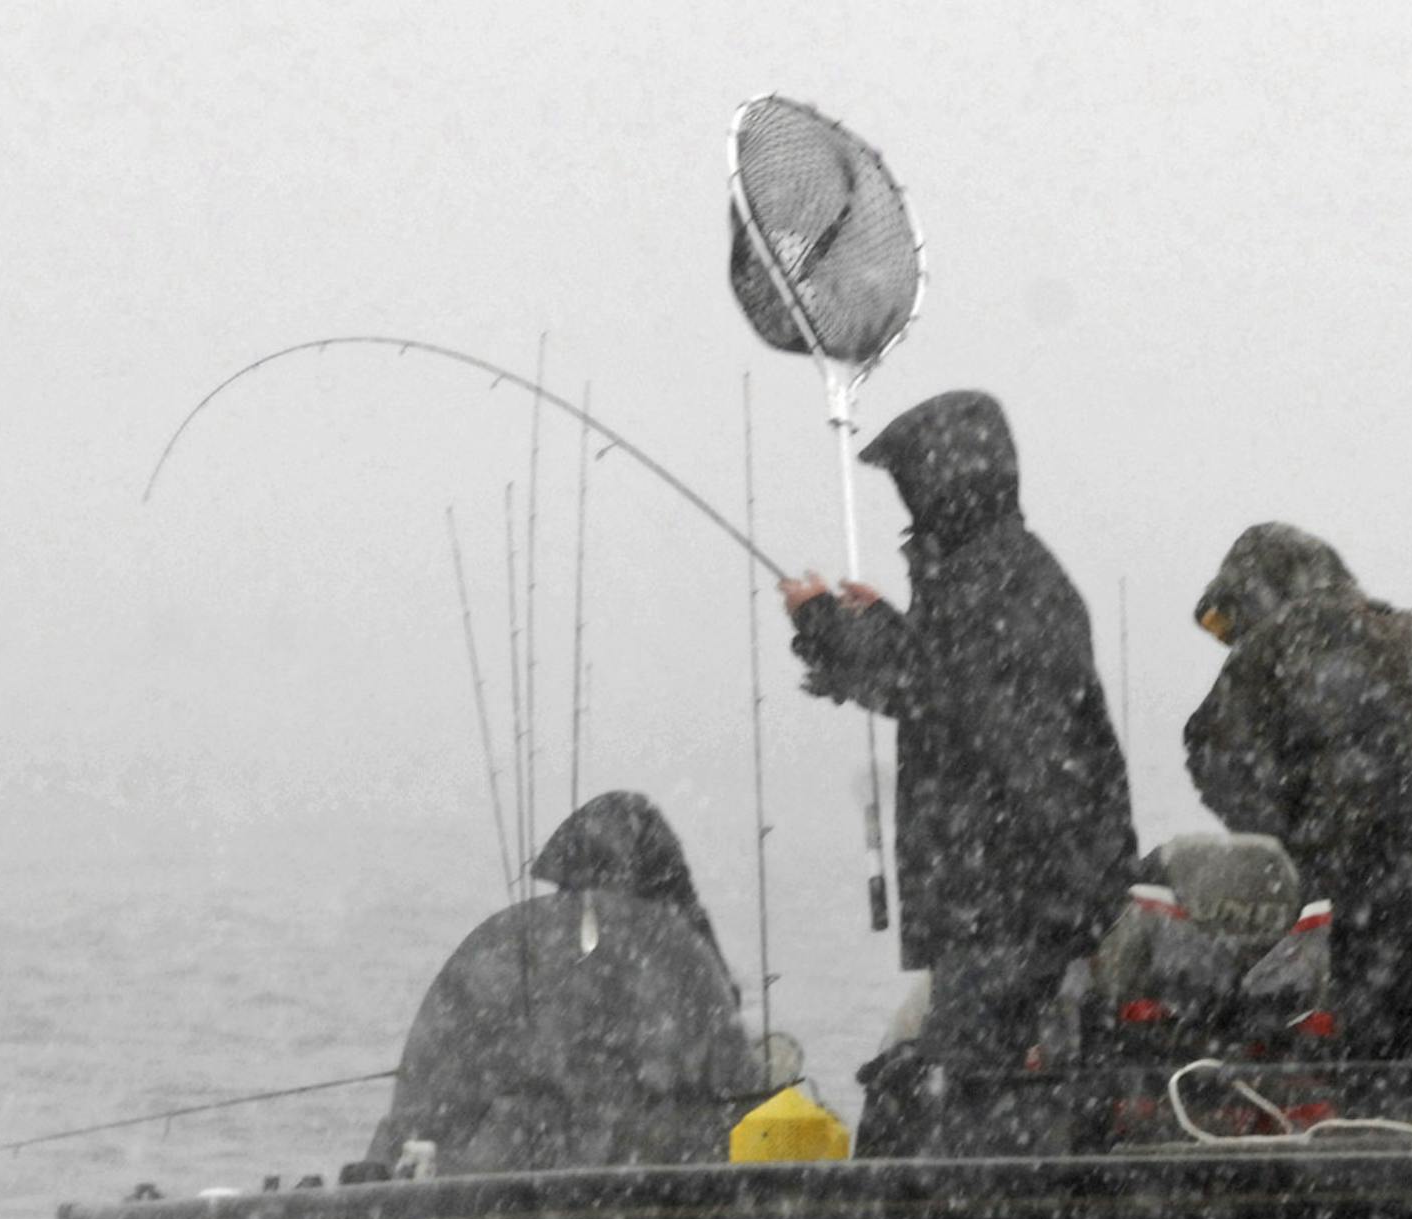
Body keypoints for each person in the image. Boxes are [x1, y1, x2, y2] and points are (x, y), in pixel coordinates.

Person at [779, 390, 1137, 1150]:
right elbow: (951, 684)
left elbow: (939, 692)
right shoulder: (1002, 576)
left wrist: (823, 625)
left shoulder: (992, 582)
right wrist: (873, 627)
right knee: (975, 1078)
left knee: (967, 1094)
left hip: (1013, 897)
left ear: (945, 487)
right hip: (1027, 893)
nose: (910, 511)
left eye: (914, 488)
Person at [1182, 523, 1412, 1060]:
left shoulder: (1281, 635)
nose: (1230, 638)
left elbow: (1212, 751)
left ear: (1255, 590)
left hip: (1378, 889)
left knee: (1370, 1061)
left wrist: (1289, 853)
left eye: (1227, 620)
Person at [366, 792, 762, 1173]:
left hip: (517, 1175)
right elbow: (732, 1076)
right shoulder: (680, 950)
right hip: (656, 1177)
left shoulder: (513, 952)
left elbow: (437, 1094)